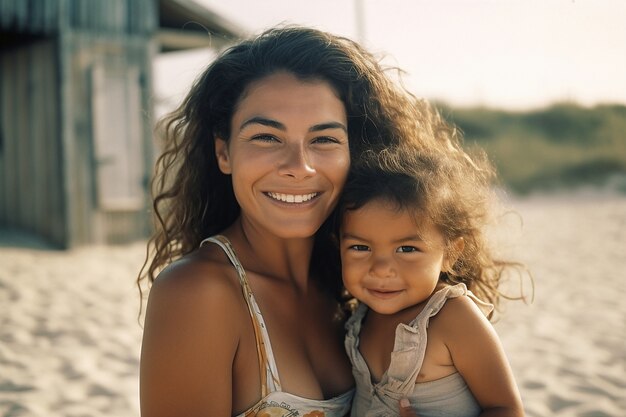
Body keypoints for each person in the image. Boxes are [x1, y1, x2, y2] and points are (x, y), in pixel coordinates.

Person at [137, 25, 447, 417]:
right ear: (224, 153)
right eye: (267, 137)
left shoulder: (358, 284)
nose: (299, 167)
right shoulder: (198, 293)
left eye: (324, 140)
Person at [338, 145, 526, 416]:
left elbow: (507, 409)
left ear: (450, 253)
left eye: (406, 249)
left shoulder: (453, 318)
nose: (380, 269)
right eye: (360, 248)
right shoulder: (360, 316)